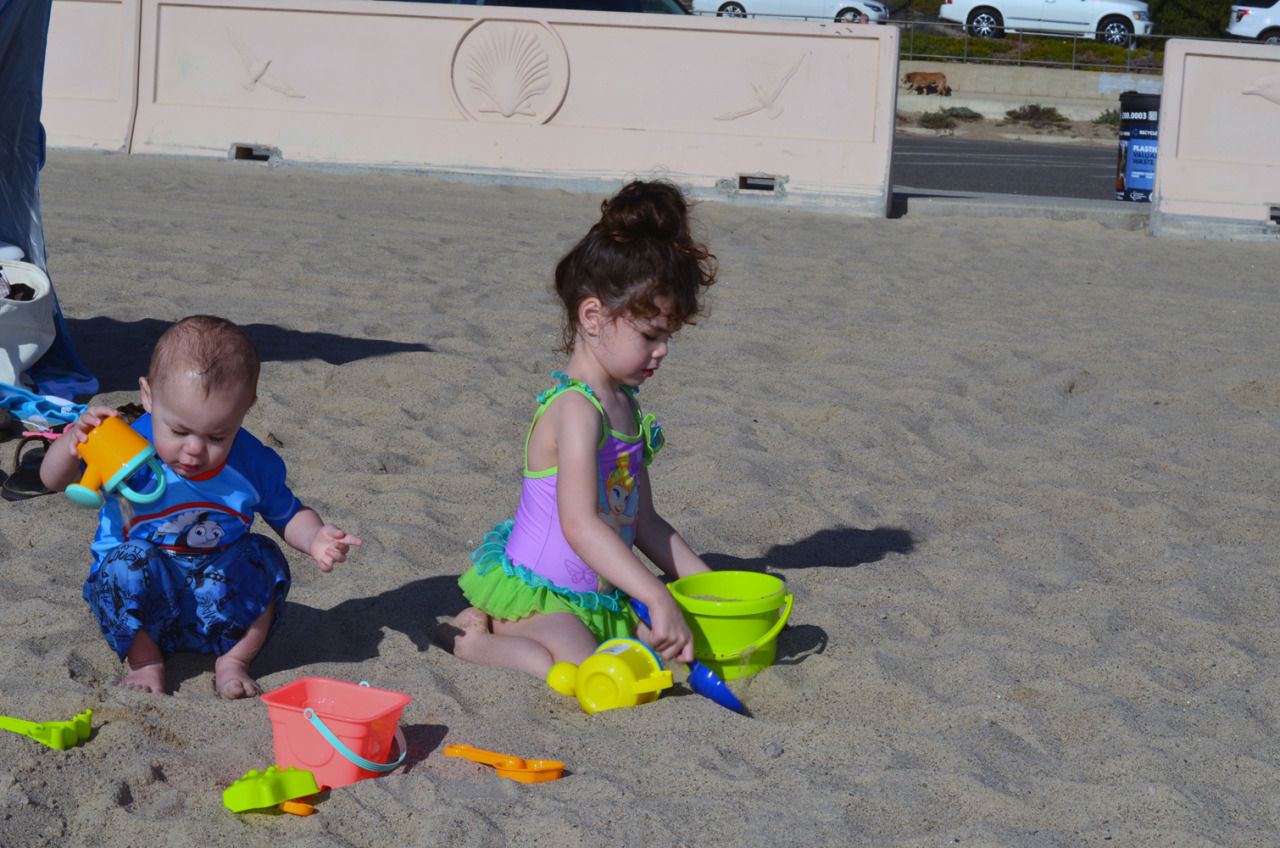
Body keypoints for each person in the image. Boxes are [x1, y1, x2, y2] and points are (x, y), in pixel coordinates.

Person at [438, 180, 717, 686]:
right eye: (650, 335)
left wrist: (715, 592)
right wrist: (655, 594)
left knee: (663, 657)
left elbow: (645, 521)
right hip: (540, 595)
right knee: (585, 674)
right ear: (592, 316)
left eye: (668, 338)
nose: (662, 351)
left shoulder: (625, 407)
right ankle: (473, 638)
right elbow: (579, 524)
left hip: (601, 597)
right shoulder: (575, 409)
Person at [40, 315, 361, 698]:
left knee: (265, 556)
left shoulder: (252, 464)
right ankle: (145, 661)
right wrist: (71, 443)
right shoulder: (122, 447)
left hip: (217, 597)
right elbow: (52, 481)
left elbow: (288, 514)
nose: (194, 449)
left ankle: (234, 659)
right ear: (148, 397)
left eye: (217, 436)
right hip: (142, 603)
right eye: (178, 431)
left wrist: (316, 537)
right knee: (126, 560)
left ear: (245, 410)